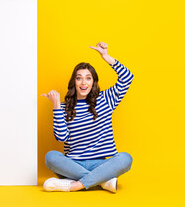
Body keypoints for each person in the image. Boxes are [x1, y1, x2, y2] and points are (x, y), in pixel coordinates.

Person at [41, 42, 134, 193]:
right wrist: (57, 105)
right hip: (72, 164)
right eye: (79, 78)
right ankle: (102, 181)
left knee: (125, 158)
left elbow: (127, 78)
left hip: (100, 164)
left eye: (88, 78)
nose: (83, 82)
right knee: (51, 157)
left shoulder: (105, 99)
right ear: (74, 82)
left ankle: (75, 185)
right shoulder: (64, 107)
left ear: (93, 82)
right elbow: (61, 137)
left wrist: (106, 57)